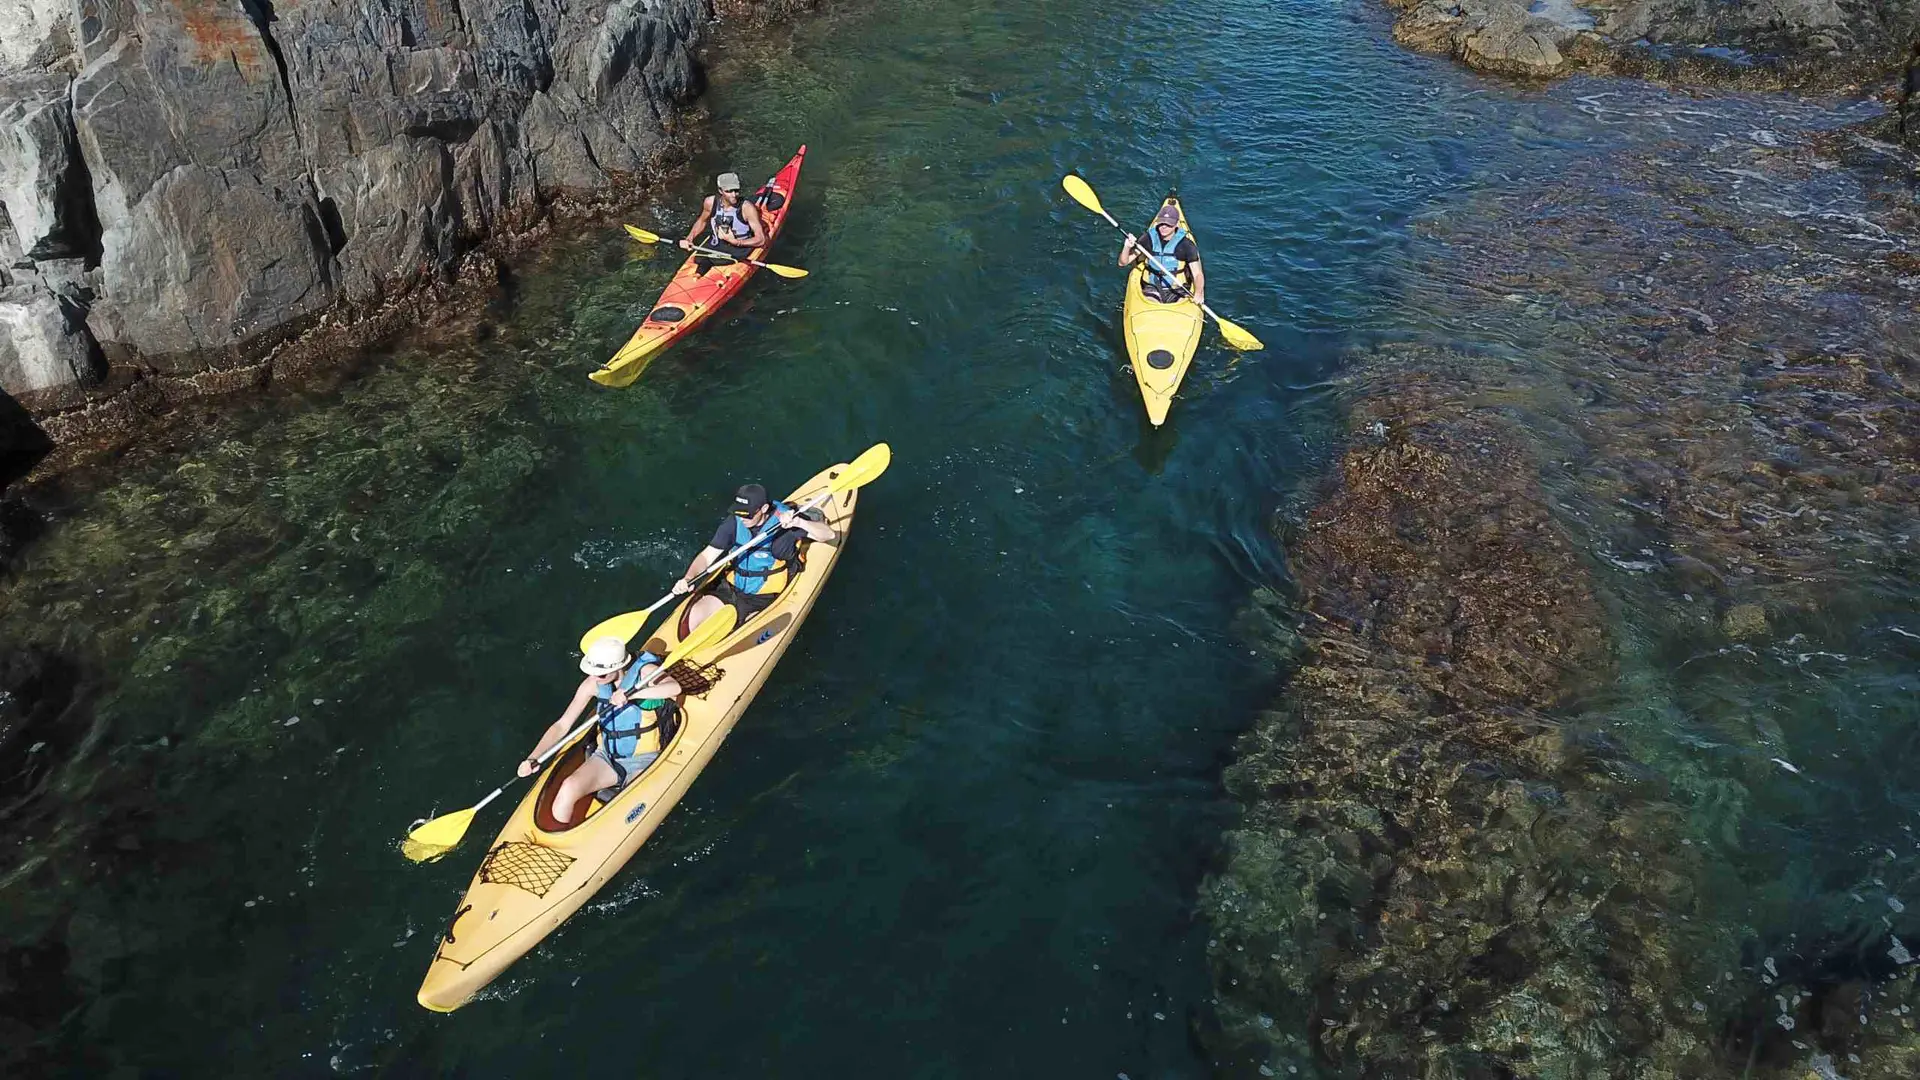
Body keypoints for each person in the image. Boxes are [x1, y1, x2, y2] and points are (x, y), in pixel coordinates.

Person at [518, 636, 683, 823]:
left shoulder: (646, 672)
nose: (595, 678)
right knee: (569, 787)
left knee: (629, 803)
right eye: (592, 672)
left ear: (618, 667)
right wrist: (534, 756)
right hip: (606, 757)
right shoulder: (592, 684)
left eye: (601, 674)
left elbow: (673, 688)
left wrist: (632, 694)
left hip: (644, 759)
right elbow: (562, 724)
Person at [672, 483, 835, 631]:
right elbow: (707, 556)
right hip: (731, 587)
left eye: (747, 515)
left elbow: (827, 534)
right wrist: (688, 578)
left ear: (763, 509)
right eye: (739, 513)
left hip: (763, 596)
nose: (742, 518)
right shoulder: (734, 523)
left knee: (740, 630)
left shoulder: (784, 524)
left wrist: (799, 523)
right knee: (694, 618)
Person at [680, 171, 768, 275]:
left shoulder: (747, 208)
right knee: (700, 260)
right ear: (720, 190)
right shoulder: (710, 202)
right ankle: (698, 275)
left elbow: (761, 240)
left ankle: (701, 273)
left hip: (739, 249)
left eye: (736, 190)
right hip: (716, 244)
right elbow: (701, 221)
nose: (734, 195)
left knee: (710, 261)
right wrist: (689, 238)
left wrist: (736, 242)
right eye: (729, 191)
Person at [1119, 204, 1204, 307]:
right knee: (1151, 305)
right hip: (1152, 288)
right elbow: (1123, 263)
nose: (1164, 227)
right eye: (1161, 223)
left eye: (1169, 224)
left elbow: (1197, 274)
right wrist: (1127, 247)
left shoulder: (1186, 245)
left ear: (1176, 224)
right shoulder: (1148, 239)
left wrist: (1198, 293)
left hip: (1178, 290)